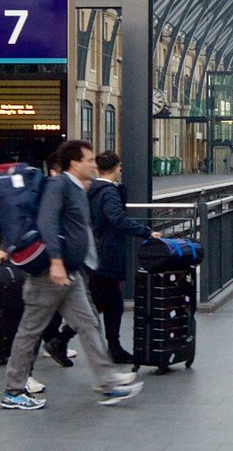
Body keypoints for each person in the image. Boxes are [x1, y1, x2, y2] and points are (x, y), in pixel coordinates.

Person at [0, 140, 140, 410]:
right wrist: (55, 261)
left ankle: (108, 383)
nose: (94, 164)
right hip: (49, 276)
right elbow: (47, 222)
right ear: (75, 163)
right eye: (89, 160)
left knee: (88, 324)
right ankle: (14, 390)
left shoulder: (77, 188)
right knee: (30, 331)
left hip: (71, 274)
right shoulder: (59, 186)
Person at [44, 149, 155, 364]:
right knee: (94, 304)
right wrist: (146, 232)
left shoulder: (89, 189)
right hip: (107, 254)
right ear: (117, 168)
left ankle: (113, 347)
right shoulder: (108, 192)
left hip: (95, 251)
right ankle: (60, 341)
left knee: (112, 302)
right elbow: (117, 218)